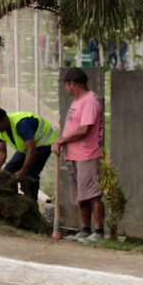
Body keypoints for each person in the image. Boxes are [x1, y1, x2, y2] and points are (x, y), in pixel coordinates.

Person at [57, 67, 105, 241]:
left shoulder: (90, 101)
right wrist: (62, 141)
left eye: (66, 85)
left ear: (72, 83)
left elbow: (84, 129)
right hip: (74, 155)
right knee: (81, 195)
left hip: (88, 154)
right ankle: (85, 229)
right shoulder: (77, 101)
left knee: (93, 193)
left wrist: (62, 140)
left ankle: (99, 232)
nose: (66, 88)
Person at [0, 106, 55, 200]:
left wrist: (22, 172)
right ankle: (12, 201)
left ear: (4, 119)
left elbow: (32, 150)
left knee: (29, 175)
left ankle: (31, 204)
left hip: (43, 142)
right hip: (27, 146)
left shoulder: (22, 124)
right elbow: (2, 152)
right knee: (8, 171)